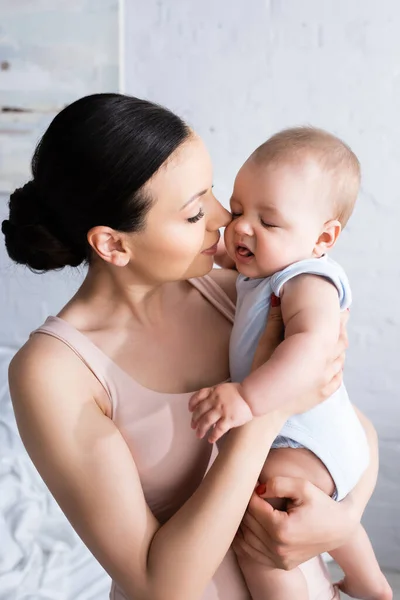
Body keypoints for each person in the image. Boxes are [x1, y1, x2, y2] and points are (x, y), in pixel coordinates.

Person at [1, 94, 378, 600]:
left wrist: (342, 520)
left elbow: (350, 426)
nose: (225, 217)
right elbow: (161, 586)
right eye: (196, 211)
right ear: (113, 244)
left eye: (214, 194)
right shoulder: (53, 372)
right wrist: (263, 415)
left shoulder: (240, 295)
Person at [190, 127, 391, 600]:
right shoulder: (265, 267)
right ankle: (368, 582)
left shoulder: (308, 280)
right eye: (238, 210)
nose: (241, 227)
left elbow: (312, 347)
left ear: (323, 237)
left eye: (269, 222)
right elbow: (222, 254)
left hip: (308, 437)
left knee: (254, 517)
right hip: (313, 435)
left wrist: (247, 397)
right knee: (294, 506)